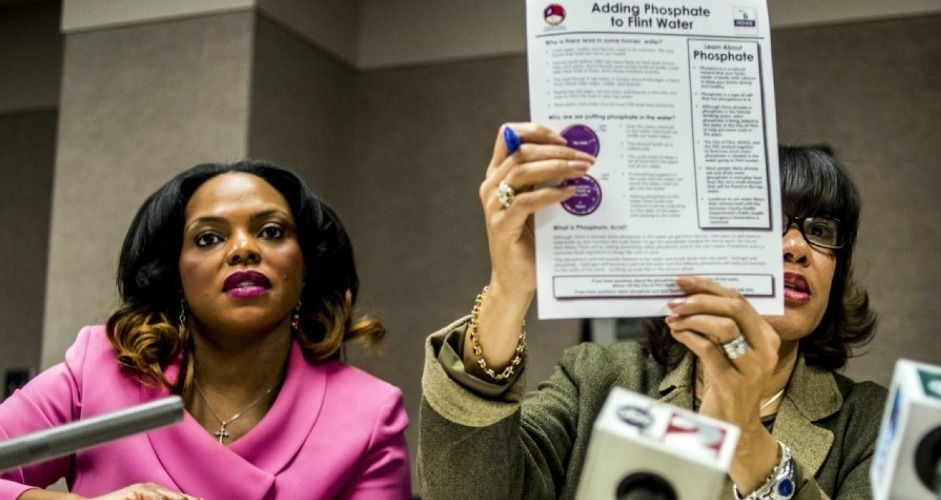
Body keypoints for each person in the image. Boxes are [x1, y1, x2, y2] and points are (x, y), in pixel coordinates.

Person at [417, 123, 886, 499]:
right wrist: (508, 290)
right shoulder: (597, 381)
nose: (795, 247)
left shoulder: (870, 425)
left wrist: (746, 437)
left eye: (820, 230)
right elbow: (468, 489)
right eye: (766, 221)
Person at [0, 160, 411, 499]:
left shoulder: (369, 415)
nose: (244, 249)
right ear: (175, 274)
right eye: (209, 238)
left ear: (305, 267)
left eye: (271, 232)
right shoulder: (100, 369)